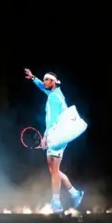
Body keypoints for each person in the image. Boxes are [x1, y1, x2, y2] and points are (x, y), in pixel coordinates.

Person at [24, 68, 84, 213]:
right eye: (43, 80)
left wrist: (45, 137)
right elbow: (43, 88)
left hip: (56, 134)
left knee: (54, 170)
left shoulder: (53, 98)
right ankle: (75, 194)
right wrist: (34, 78)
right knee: (53, 169)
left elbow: (52, 120)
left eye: (46, 80)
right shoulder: (56, 93)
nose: (44, 82)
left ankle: (56, 203)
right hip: (59, 135)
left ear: (53, 82)